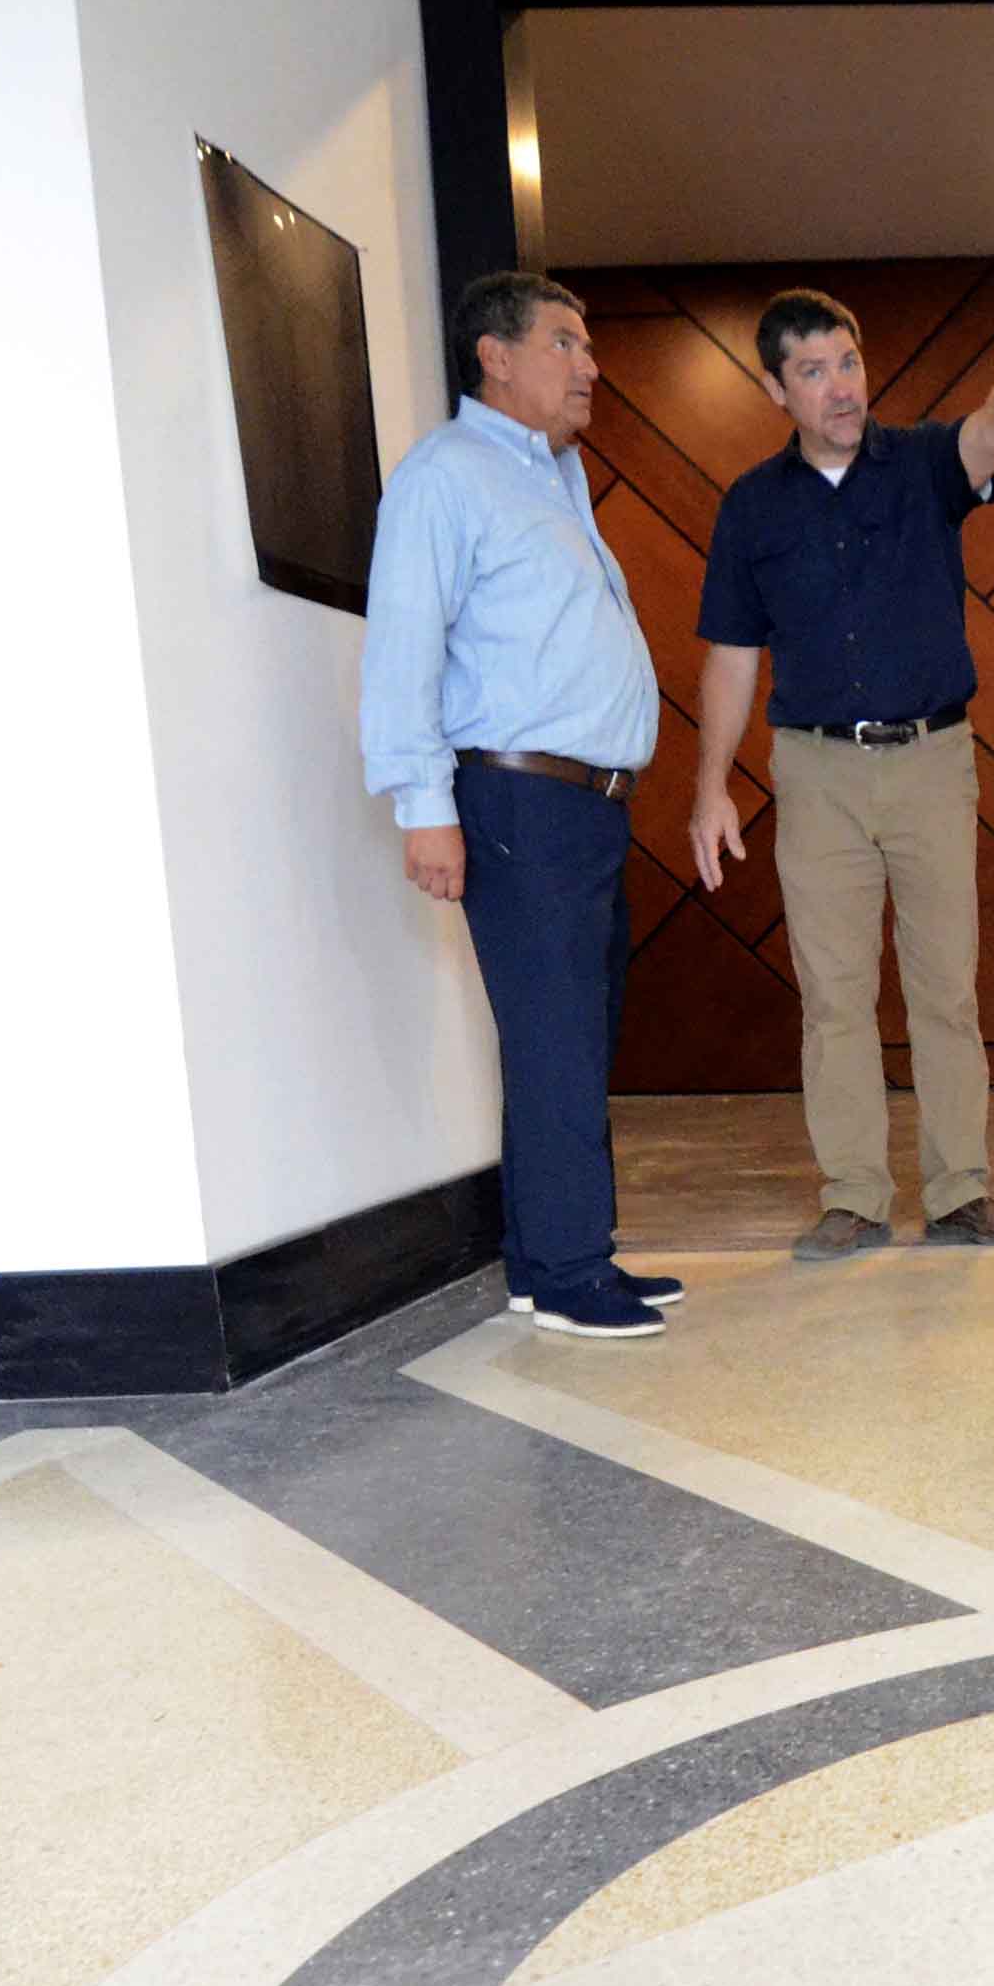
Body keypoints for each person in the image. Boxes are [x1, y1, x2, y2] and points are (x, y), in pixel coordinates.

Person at [687, 290, 994, 1263]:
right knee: (833, 994)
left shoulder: (924, 464)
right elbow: (730, 656)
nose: (838, 386)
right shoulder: (751, 506)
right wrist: (712, 784)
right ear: (774, 388)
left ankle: (960, 1193)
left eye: (847, 362)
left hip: (930, 760)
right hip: (814, 771)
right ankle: (854, 1198)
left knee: (944, 989)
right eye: (811, 371)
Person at [360, 271, 680, 1339]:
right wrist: (423, 806)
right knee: (553, 1037)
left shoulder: (551, 477)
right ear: (494, 357)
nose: (588, 365)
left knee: (579, 1035)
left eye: (587, 345)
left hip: (582, 806)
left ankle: (551, 1261)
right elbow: (403, 642)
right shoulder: (444, 476)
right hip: (513, 795)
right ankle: (572, 1270)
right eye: (563, 343)